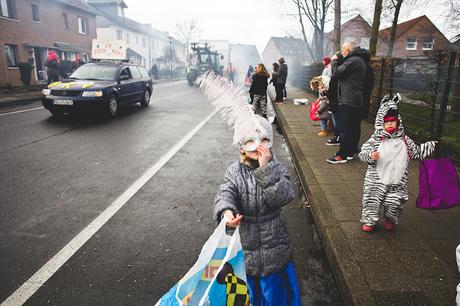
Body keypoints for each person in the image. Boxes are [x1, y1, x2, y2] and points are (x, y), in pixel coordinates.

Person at [213, 114, 301, 306]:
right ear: (241, 145)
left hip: (275, 246)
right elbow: (225, 193)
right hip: (248, 248)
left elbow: (284, 196)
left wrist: (266, 169)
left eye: (264, 140)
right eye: (250, 141)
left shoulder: (277, 167)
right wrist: (226, 212)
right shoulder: (234, 172)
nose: (257, 146)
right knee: (252, 294)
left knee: (275, 294)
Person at [358, 95, 436, 232]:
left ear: (398, 123)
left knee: (395, 201)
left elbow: (416, 152)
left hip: (398, 180)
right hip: (376, 179)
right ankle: (369, 221)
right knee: (371, 199)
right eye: (386, 122)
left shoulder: (405, 140)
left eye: (392, 121)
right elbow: (363, 151)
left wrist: (429, 146)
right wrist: (370, 155)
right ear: (380, 123)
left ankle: (390, 218)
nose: (389, 124)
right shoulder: (376, 139)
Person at [327, 41, 373, 164]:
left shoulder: (354, 60)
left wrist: (335, 60)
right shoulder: (358, 60)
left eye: (343, 50)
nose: (341, 52)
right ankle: (350, 152)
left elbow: (336, 73)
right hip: (354, 99)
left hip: (349, 99)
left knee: (347, 128)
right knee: (353, 128)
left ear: (348, 50)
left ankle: (342, 155)